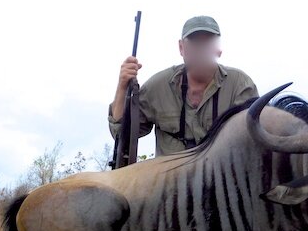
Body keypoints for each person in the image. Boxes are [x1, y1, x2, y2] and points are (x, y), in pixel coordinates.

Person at [109, 15, 259, 156]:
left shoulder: (240, 85)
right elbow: (121, 135)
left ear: (218, 50)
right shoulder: (157, 87)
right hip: (169, 182)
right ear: (181, 48)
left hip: (222, 180)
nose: (201, 51)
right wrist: (122, 87)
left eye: (207, 43)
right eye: (195, 44)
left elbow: (255, 141)